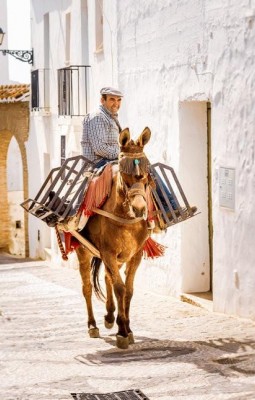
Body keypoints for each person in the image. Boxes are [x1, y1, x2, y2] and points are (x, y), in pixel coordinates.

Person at [81, 87, 123, 169]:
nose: (116, 103)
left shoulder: (109, 116)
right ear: (102, 100)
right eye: (112, 99)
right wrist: (122, 154)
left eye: (119, 100)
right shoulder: (98, 117)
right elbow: (100, 148)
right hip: (96, 165)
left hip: (109, 161)